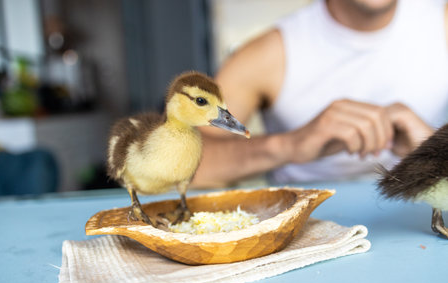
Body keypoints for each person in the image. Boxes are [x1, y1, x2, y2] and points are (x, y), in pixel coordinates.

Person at [192, 0, 448, 188]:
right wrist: (290, 144)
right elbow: (188, 167)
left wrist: (434, 151)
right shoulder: (264, 55)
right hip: (307, 233)